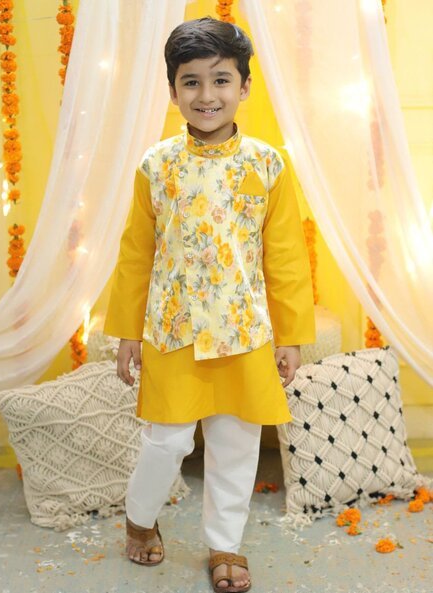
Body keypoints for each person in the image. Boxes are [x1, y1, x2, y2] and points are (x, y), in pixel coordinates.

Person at [104, 16, 315, 593]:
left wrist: (291, 337)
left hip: (243, 334)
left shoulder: (268, 165)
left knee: (236, 446)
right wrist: (126, 332)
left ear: (244, 86)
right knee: (167, 441)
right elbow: (135, 255)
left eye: (221, 80)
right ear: (173, 92)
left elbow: (286, 258)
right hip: (171, 331)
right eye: (191, 82)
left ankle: (225, 546)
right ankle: (139, 518)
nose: (206, 95)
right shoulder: (156, 165)